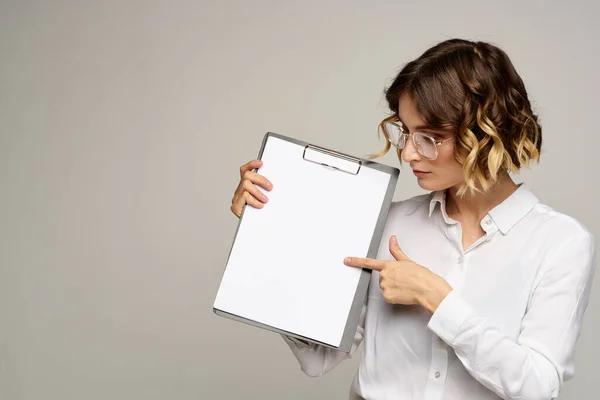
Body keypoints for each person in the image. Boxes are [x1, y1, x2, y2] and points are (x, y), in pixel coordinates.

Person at [229, 39, 596, 400]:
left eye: (429, 138)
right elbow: (319, 358)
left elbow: (538, 387)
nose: (407, 153)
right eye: (405, 132)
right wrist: (266, 231)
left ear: (486, 135)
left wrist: (438, 298)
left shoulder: (560, 243)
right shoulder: (389, 221)